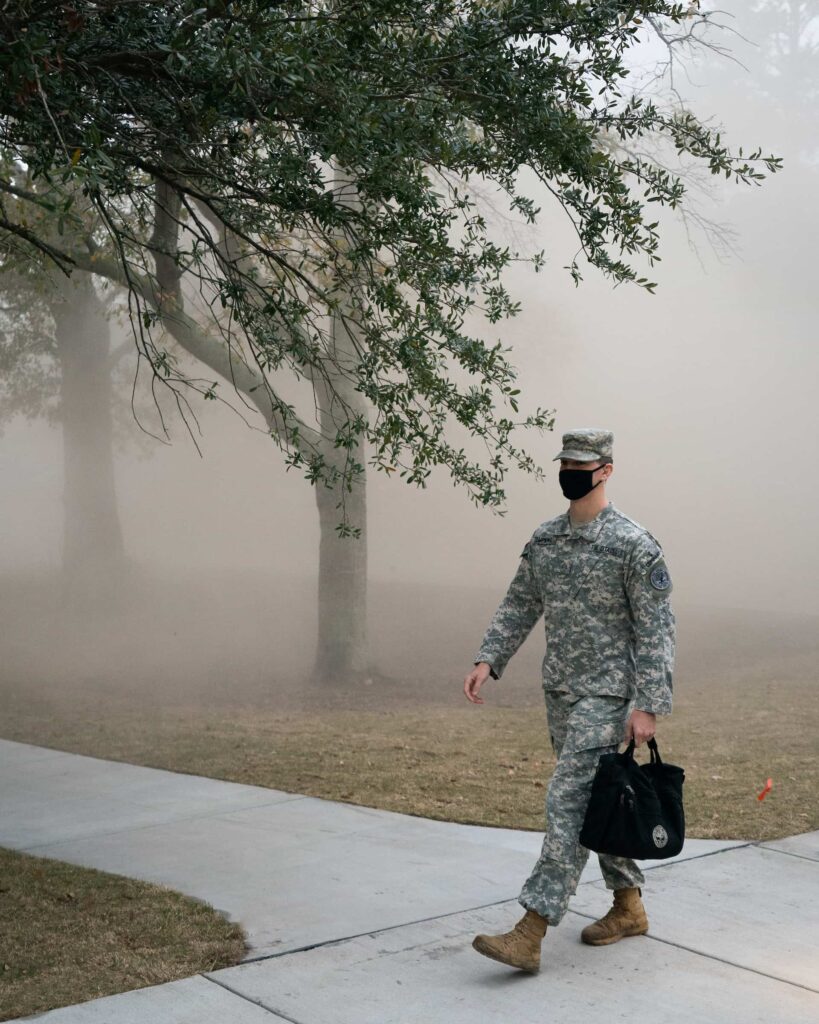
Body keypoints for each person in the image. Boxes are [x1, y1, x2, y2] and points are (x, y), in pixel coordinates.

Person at [463, 427, 675, 974]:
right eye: (565, 463)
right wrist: (489, 659)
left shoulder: (633, 544)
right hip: (560, 689)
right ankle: (629, 907)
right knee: (599, 799)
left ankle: (531, 928)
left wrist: (649, 702)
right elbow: (519, 602)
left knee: (567, 800)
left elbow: (656, 629)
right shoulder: (547, 540)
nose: (570, 473)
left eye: (581, 465)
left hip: (610, 694)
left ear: (605, 470)